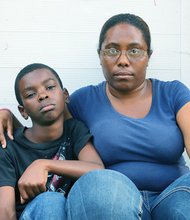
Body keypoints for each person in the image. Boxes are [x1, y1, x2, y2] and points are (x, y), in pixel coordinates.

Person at [0, 13, 190, 220]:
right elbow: (44, 125)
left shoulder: (173, 94)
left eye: (134, 51)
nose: (123, 61)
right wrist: (8, 119)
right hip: (112, 198)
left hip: (173, 193)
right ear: (100, 56)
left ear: (148, 56)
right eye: (112, 50)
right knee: (100, 183)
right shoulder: (83, 100)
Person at [0, 63, 104, 220]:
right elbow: (6, 212)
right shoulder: (9, 146)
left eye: (49, 87)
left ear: (65, 95)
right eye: (30, 95)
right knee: (50, 201)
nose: (43, 95)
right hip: (32, 214)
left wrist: (44, 164)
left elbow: (98, 171)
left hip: (70, 214)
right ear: (23, 111)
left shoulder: (74, 130)